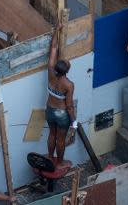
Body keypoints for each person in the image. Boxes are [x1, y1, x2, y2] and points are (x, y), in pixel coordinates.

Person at [46, 24, 77, 165]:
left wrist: (56, 31)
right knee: (60, 139)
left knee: (52, 134)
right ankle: (60, 162)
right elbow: (69, 106)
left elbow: (53, 48)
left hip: (50, 110)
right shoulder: (69, 85)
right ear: (67, 71)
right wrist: (74, 122)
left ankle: (50, 157)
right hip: (62, 114)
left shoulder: (50, 72)